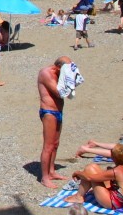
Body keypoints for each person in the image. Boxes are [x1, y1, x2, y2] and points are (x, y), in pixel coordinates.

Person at [66, 143, 123, 209]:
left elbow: (89, 177)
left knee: (89, 169)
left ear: (113, 156)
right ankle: (82, 194)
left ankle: (78, 196)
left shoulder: (116, 171)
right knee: (93, 167)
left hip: (114, 203)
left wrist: (77, 173)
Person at [38, 56, 72, 188]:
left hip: (58, 111)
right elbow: (59, 93)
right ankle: (44, 177)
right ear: (58, 67)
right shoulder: (46, 73)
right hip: (49, 112)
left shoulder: (60, 73)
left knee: (55, 144)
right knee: (48, 145)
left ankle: (51, 171)